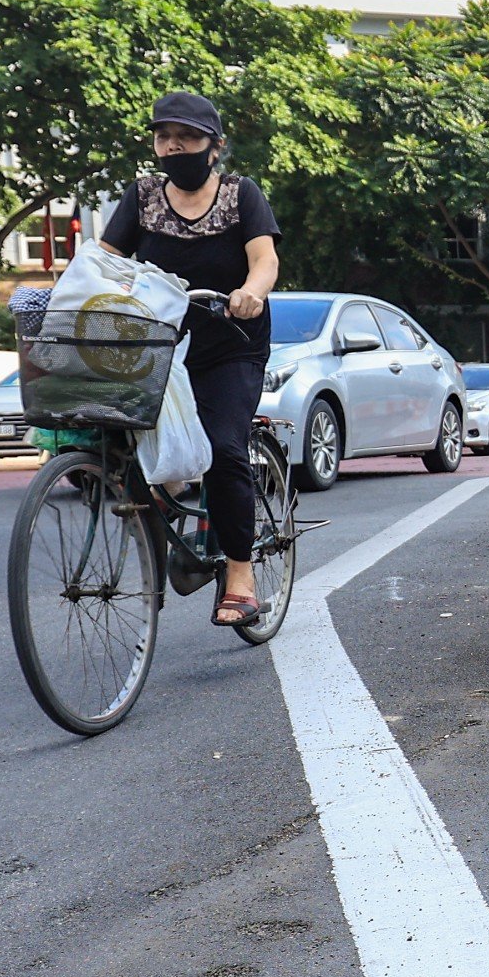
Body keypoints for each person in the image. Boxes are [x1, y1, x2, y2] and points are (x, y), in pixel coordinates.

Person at [98, 92, 281, 627]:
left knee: (224, 448)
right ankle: (176, 534)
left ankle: (240, 577)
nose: (173, 146)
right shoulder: (143, 196)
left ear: (215, 146)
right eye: (163, 137)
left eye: (187, 137)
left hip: (231, 343)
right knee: (125, 445)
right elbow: (106, 261)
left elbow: (264, 258)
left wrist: (252, 292)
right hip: (159, 347)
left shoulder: (241, 195)